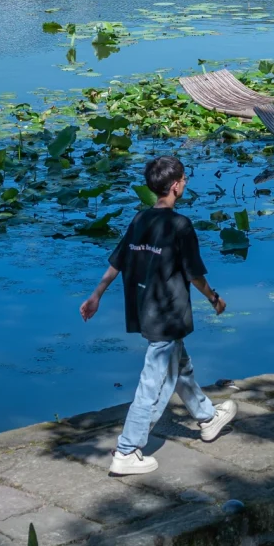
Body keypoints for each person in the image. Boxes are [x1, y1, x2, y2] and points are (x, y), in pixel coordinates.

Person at [80, 154, 236, 475]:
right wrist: (214, 298)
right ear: (176, 186)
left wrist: (96, 294)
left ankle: (207, 418)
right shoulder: (181, 226)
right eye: (185, 178)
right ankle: (127, 450)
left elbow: (117, 262)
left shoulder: (140, 220)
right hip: (168, 313)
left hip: (145, 307)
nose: (185, 183)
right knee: (154, 382)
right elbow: (193, 274)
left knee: (180, 367)